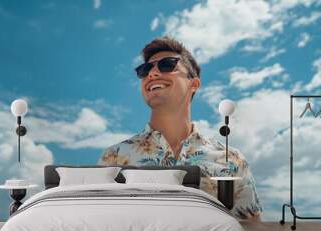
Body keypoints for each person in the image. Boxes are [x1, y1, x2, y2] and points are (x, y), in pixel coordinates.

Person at [97, 36, 262, 220]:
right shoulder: (113, 158)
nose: (152, 74)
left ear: (194, 84)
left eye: (167, 65)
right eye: (145, 69)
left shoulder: (232, 160)